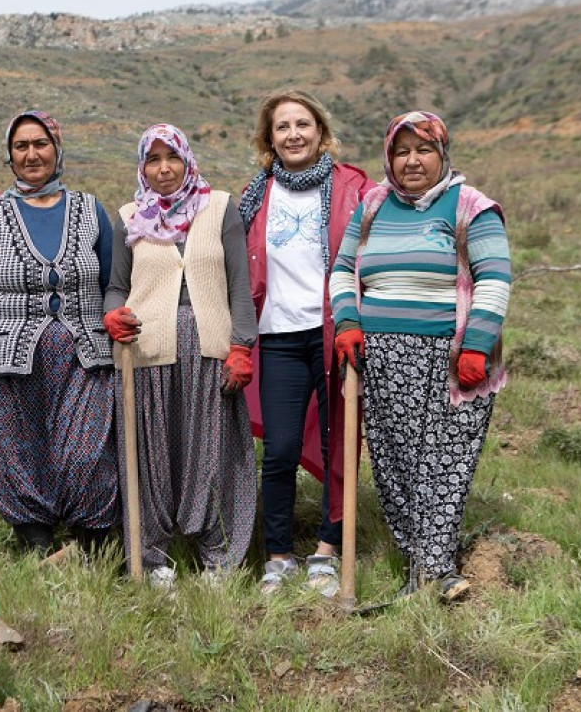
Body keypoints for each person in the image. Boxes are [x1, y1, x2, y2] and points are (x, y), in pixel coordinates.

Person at [329, 110, 511, 602]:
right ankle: (425, 564)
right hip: (382, 357)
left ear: (442, 154)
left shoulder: (470, 206)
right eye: (402, 151)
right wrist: (347, 323)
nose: (412, 160)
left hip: (451, 360)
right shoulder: (372, 205)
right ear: (389, 157)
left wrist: (475, 346)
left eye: (423, 150)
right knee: (396, 466)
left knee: (443, 464)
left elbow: (495, 279)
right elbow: (343, 269)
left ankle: (435, 570)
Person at [0, 110, 118, 557]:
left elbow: (113, 284)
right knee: (16, 451)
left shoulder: (91, 209)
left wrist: (117, 317)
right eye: (21, 146)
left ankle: (91, 541)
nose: (31, 154)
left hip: (83, 356)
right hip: (5, 360)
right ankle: (35, 541)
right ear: (10, 156)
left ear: (57, 149)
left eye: (40, 143)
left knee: (85, 453)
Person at [103, 124, 257, 588]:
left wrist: (241, 346)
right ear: (142, 167)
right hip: (147, 351)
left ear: (188, 160)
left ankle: (220, 560)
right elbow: (117, 286)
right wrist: (113, 315)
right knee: (150, 458)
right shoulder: (130, 217)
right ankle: (152, 561)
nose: (164, 168)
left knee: (215, 455)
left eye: (172, 157)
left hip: (211, 350)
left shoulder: (220, 208)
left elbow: (240, 286)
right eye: (153, 160)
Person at [238, 89, 376, 596]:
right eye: (282, 127)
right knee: (280, 450)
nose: (293, 134)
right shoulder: (255, 195)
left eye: (302, 124)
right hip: (278, 336)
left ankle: (327, 550)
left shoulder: (353, 188)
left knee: (338, 443)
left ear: (320, 131)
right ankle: (278, 555)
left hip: (336, 333)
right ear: (269, 138)